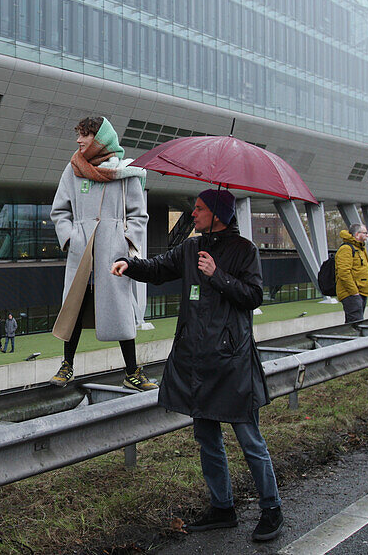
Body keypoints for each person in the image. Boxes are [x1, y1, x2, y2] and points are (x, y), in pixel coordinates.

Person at [111, 189, 283, 543]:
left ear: (218, 214)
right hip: (196, 360)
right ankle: (222, 508)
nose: (195, 213)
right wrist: (130, 266)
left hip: (232, 362)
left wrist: (217, 274)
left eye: (201, 209)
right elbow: (159, 268)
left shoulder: (245, 251)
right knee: (207, 438)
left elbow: (252, 297)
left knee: (249, 439)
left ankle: (272, 508)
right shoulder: (191, 248)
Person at [49, 116, 154, 392]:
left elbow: (139, 215)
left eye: (84, 135)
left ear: (99, 138)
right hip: (81, 252)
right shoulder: (73, 169)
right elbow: (59, 211)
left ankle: (132, 372)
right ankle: (67, 365)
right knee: (74, 306)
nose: (78, 141)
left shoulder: (127, 173)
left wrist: (126, 243)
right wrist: (71, 238)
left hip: (114, 254)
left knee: (121, 309)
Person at [335, 224, 368, 323]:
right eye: (365, 233)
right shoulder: (346, 249)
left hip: (360, 292)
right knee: (355, 324)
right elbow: (344, 273)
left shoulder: (360, 248)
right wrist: (354, 292)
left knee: (356, 322)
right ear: (357, 234)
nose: (367, 235)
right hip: (352, 294)